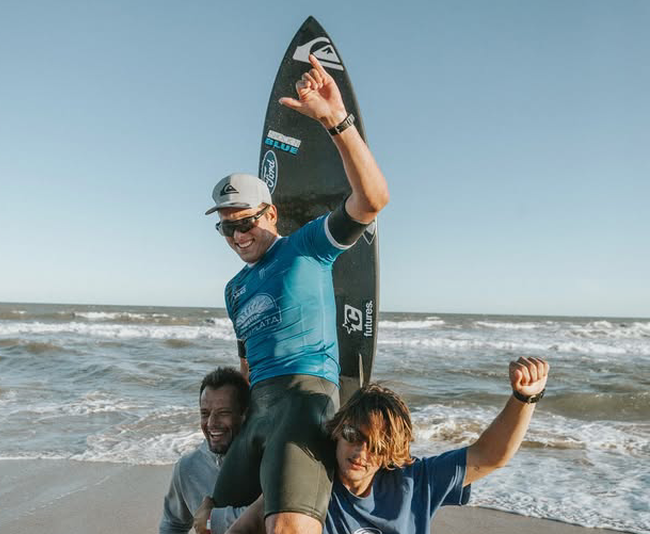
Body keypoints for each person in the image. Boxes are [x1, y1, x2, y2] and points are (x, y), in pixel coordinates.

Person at [199, 54, 389, 534]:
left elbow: (373, 200)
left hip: (305, 396)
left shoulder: (305, 248)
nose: (238, 236)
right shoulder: (234, 289)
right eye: (226, 229)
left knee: (288, 527)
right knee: (209, 522)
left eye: (245, 223)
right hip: (259, 409)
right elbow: (245, 363)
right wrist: (232, 416)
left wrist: (336, 122)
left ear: (270, 214)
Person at [226, 356, 550, 534]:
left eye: (377, 446)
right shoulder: (311, 479)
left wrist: (525, 398)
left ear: (391, 454)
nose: (361, 453)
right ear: (338, 430)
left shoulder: (415, 482)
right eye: (354, 436)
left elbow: (489, 456)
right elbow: (249, 525)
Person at [159, 367, 250, 534]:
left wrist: (211, 520)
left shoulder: (265, 461)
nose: (211, 423)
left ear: (244, 414)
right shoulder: (187, 468)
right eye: (205, 413)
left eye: (223, 413)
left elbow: (279, 518)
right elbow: (173, 524)